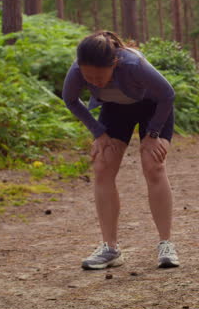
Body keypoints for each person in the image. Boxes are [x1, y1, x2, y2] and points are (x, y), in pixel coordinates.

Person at [62, 30, 179, 270]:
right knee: (103, 165)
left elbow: (167, 94)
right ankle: (110, 248)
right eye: (88, 76)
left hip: (153, 108)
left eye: (99, 76)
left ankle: (166, 244)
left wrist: (153, 134)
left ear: (114, 63)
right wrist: (99, 133)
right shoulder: (77, 70)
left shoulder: (133, 64)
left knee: (153, 164)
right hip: (116, 109)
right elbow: (71, 100)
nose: (93, 81)